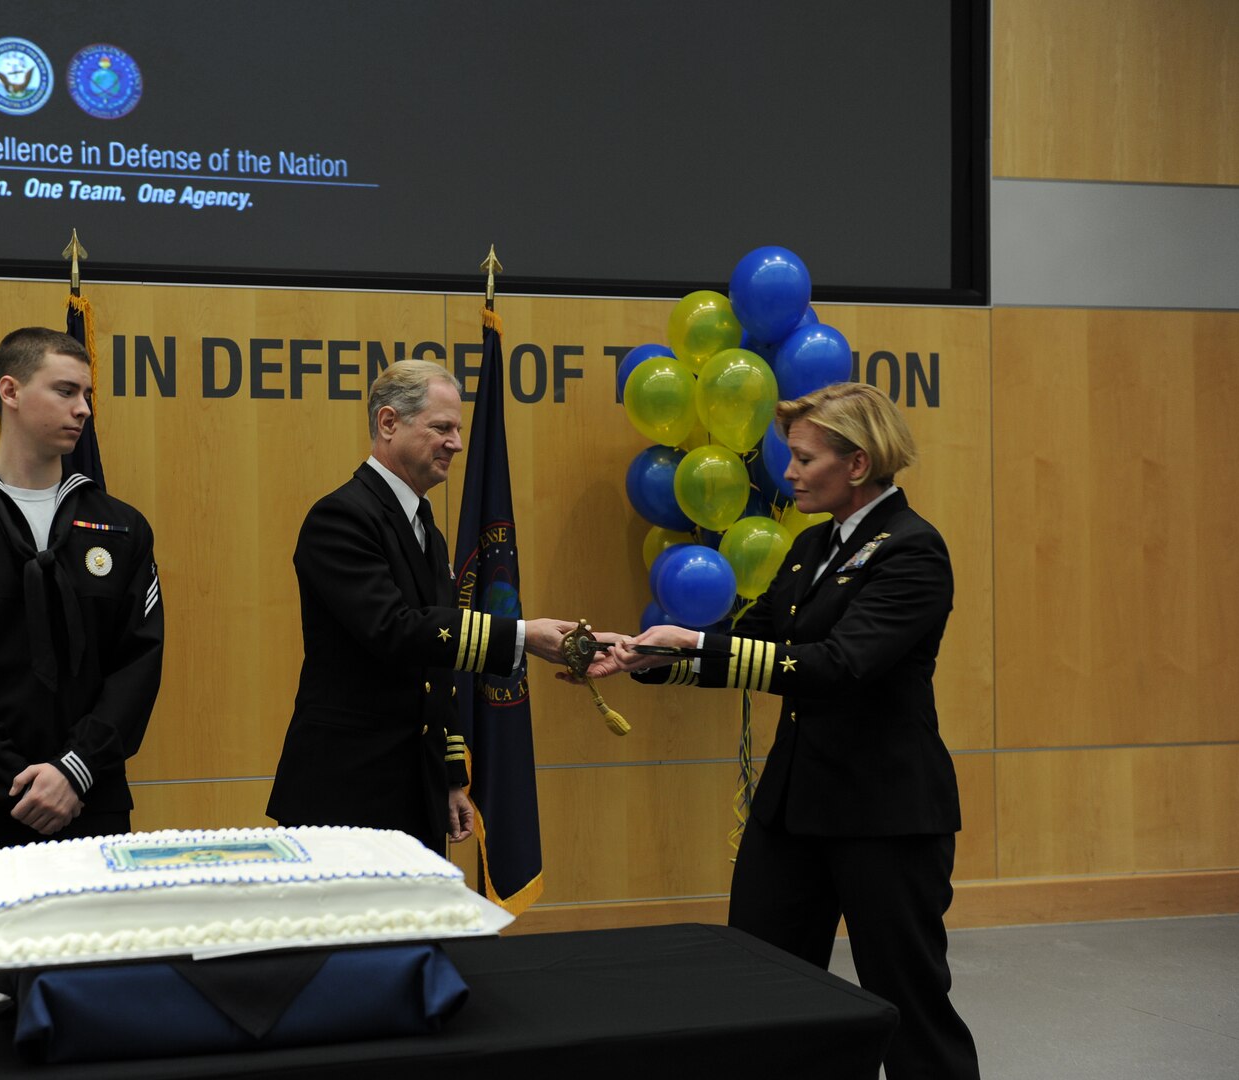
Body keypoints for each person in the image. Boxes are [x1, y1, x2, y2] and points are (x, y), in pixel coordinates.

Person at [592, 382, 980, 1079]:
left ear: (856, 464)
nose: (789, 473)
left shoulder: (912, 551)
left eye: (803, 459)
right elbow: (751, 643)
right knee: (764, 989)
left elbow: (837, 666)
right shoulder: (810, 549)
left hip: (884, 815)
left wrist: (699, 647)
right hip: (794, 810)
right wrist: (644, 658)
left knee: (907, 1001)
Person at [0, 327, 164, 946]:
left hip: (93, 805)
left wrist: (73, 773)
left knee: (101, 997)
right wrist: (17, 784)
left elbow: (138, 666)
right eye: (65, 391)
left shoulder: (121, 529)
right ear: (9, 391)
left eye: (88, 394)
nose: (83, 410)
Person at [267, 360, 573, 854]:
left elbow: (436, 669)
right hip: (345, 793)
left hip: (415, 789)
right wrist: (521, 636)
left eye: (458, 429)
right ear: (389, 423)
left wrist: (451, 776)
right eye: (441, 428)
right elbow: (396, 630)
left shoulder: (423, 523)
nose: (455, 443)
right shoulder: (341, 517)